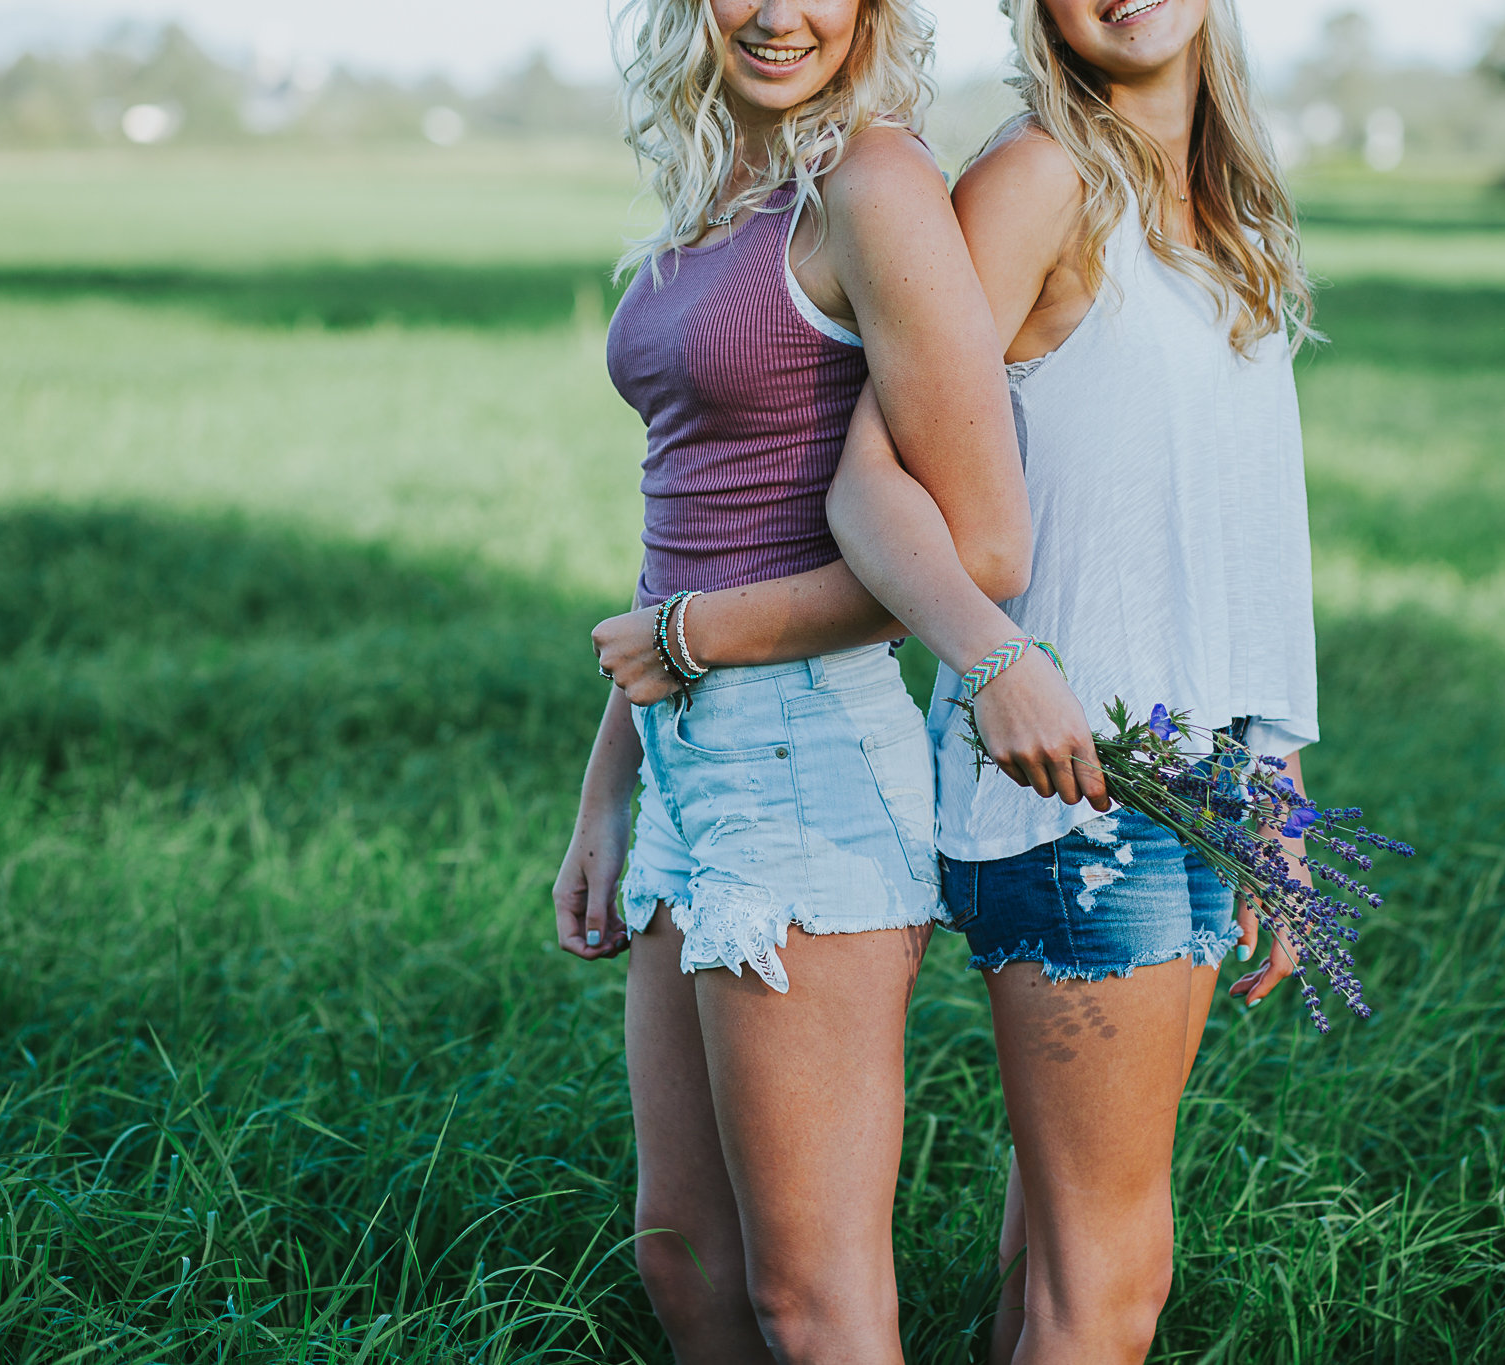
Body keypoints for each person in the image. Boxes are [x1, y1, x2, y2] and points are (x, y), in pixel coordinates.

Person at [547, 0, 1105, 1356]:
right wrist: (606, 785)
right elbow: (683, 527)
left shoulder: (876, 182)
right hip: (688, 753)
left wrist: (690, 643)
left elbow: (979, 540)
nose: (781, 11)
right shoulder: (721, 187)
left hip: (803, 753)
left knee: (813, 1298)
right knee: (685, 1261)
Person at [823, 0, 1322, 1353]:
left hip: (1196, 774)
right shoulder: (1043, 177)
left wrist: (1271, 764)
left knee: (1059, 1254)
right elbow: (870, 484)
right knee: (1111, 1284)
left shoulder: (1228, 217)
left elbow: (1239, 522)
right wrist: (991, 659)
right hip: (1071, 787)